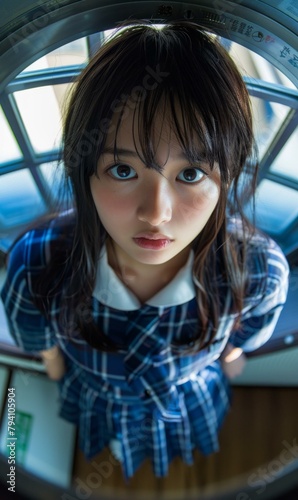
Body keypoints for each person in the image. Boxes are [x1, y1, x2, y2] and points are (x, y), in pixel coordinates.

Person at [1, 21, 289, 480]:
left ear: (227, 177)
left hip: (186, 397)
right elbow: (41, 342)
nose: (156, 213)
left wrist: (232, 352)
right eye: (121, 168)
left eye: (191, 173)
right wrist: (53, 361)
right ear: (83, 170)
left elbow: (244, 337)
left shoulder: (258, 269)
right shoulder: (36, 263)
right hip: (96, 395)